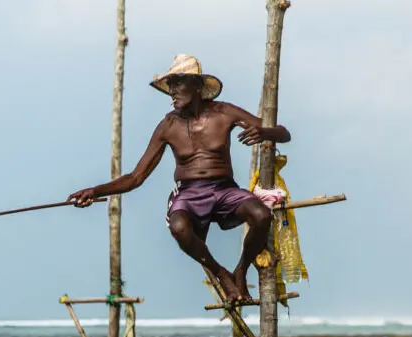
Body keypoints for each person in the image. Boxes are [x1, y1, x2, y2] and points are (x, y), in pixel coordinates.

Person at [67, 54, 291, 302]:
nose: (172, 91)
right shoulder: (168, 126)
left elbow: (284, 133)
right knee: (179, 228)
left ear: (196, 85)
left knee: (261, 215)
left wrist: (264, 131)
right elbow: (136, 177)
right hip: (189, 193)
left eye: (177, 83)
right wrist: (95, 191)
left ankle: (241, 271)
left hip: (225, 189)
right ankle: (221, 274)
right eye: (169, 85)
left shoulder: (223, 112)